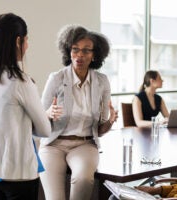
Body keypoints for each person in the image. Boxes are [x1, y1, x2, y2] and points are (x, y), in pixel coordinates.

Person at [0, 13, 51, 200]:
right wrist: (45, 115)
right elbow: (45, 130)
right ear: (18, 41)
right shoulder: (20, 82)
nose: (28, 45)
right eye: (27, 39)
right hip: (17, 174)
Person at [39, 25, 118, 200]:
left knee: (83, 179)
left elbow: (100, 130)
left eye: (86, 51)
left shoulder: (102, 81)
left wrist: (110, 121)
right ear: (69, 51)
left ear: (94, 55)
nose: (80, 55)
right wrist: (48, 113)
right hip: (53, 144)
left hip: (85, 144)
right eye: (75, 50)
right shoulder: (56, 78)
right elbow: (38, 119)